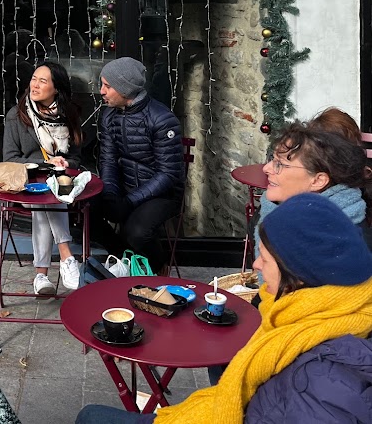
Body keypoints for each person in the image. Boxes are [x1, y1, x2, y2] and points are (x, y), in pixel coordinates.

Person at [76, 193, 372, 424]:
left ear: (300, 274)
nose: (255, 265)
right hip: (246, 408)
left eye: (265, 259)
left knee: (90, 416)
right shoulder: (312, 314)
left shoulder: (324, 380)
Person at [97, 57, 184, 273]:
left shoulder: (162, 119)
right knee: (83, 212)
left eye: (108, 86)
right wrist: (110, 194)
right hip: (125, 189)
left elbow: (168, 174)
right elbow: (107, 160)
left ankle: (157, 265)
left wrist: (128, 202)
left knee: (136, 232)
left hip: (161, 194)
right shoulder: (108, 116)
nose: (102, 91)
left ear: (125, 89)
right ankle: (125, 259)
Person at [2, 61, 82, 295]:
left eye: (43, 81)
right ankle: (66, 256)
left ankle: (41, 276)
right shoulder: (16, 117)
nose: (35, 85)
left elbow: (77, 157)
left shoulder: (69, 115)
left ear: (56, 88)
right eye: (34, 79)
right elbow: (10, 159)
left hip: (60, 185)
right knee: (44, 196)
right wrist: (44, 164)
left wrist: (66, 163)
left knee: (50, 195)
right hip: (26, 185)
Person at [255, 121, 370, 257]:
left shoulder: (349, 245)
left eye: (280, 164)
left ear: (318, 181)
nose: (266, 168)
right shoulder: (268, 213)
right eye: (272, 159)